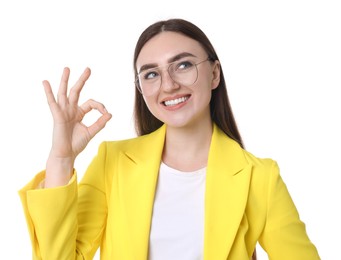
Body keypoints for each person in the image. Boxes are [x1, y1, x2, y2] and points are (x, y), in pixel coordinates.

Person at [19, 18, 320, 260]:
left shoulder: (260, 178)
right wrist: (61, 158)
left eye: (184, 65)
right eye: (151, 74)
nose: (169, 85)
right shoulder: (113, 162)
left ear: (214, 74)